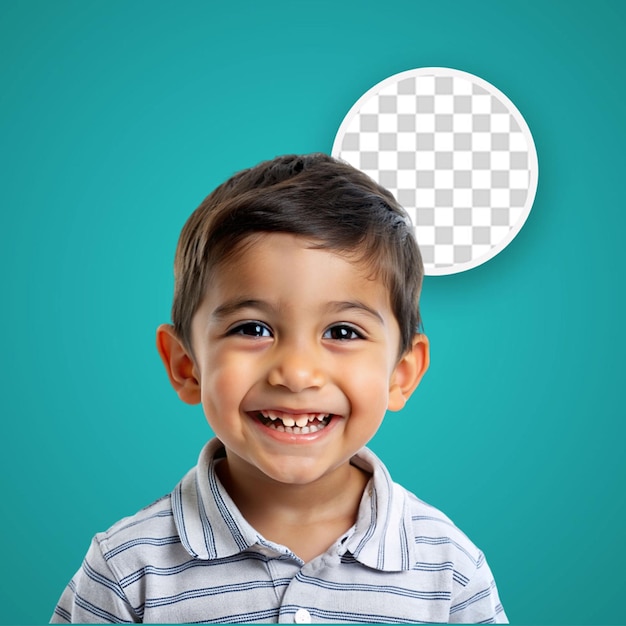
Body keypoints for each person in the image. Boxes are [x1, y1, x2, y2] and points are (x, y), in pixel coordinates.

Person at [51, 153, 507, 623]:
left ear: (401, 374)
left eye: (343, 332)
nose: (296, 373)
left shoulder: (449, 569)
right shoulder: (126, 572)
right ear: (187, 366)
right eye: (252, 329)